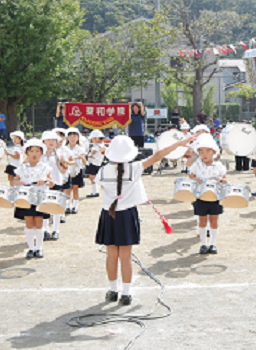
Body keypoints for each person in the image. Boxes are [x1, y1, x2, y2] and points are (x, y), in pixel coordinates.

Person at [97, 134, 194, 305]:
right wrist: (179, 143)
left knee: (111, 255)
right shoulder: (135, 168)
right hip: (126, 214)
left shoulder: (103, 170)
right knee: (126, 256)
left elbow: (102, 187)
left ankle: (112, 291)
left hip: (108, 214)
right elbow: (157, 156)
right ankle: (126, 294)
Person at [12, 139, 55, 258]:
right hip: (26, 198)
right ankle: (31, 249)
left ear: (41, 153)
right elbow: (13, 181)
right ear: (27, 153)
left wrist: (46, 180)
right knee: (29, 223)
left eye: (37, 151)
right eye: (32, 151)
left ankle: (39, 248)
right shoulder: (22, 167)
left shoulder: (45, 167)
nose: (34, 154)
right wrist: (18, 182)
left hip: (40, 198)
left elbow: (52, 183)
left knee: (39, 223)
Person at [189, 134, 227, 255]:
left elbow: (225, 179)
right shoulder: (196, 165)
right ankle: (203, 244)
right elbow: (191, 176)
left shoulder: (219, 166)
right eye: (201, 151)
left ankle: (213, 244)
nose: (204, 154)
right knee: (202, 220)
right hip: (200, 197)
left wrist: (221, 180)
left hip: (215, 197)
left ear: (214, 152)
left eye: (208, 151)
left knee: (214, 220)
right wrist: (195, 179)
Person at [66, 128, 86, 214]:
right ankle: (67, 206)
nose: (72, 138)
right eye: (70, 136)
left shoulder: (81, 149)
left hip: (77, 170)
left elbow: (84, 162)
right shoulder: (65, 148)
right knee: (67, 189)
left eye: (75, 136)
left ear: (78, 138)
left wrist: (82, 158)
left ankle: (75, 206)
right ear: (67, 138)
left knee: (75, 188)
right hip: (67, 171)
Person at [86, 130, 106, 198]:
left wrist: (90, 154)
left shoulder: (99, 146)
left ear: (96, 138)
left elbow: (94, 151)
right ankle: (96, 191)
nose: (92, 140)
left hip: (95, 163)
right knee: (95, 178)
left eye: (93, 138)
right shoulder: (100, 145)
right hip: (97, 163)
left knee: (93, 178)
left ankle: (96, 192)